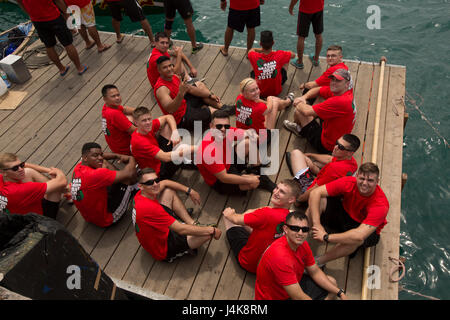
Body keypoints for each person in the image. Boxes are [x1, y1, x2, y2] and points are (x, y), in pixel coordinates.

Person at [308, 162, 389, 266]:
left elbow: (359, 235)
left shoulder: (380, 205)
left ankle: (319, 261)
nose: (364, 183)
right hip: (345, 213)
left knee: (356, 240)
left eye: (370, 180)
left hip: (362, 227)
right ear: (356, 176)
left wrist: (325, 237)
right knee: (320, 200)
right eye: (362, 178)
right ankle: (303, 232)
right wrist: (317, 224)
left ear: (377, 182)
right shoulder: (348, 182)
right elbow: (315, 193)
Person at [133, 168, 222, 262]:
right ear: (140, 186)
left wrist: (190, 191)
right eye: (149, 182)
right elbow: (181, 229)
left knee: (168, 191)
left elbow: (166, 182)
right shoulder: (150, 208)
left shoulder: (141, 194)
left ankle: (192, 223)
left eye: (157, 180)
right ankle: (184, 250)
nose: (155, 184)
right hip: (162, 248)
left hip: (156, 233)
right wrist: (212, 230)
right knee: (207, 234)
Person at [255, 211, 347, 300]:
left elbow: (314, 272)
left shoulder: (303, 245)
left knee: (332, 282)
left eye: (304, 230)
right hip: (276, 297)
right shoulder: (280, 256)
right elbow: (298, 297)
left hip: (293, 285)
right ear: (286, 229)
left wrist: (340, 293)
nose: (300, 233)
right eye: (295, 228)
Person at [223, 179, 300, 273]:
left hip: (250, 263)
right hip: (268, 266)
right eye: (276, 188)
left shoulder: (266, 213)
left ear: (291, 199)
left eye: (282, 192)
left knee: (227, 219)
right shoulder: (293, 217)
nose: (275, 192)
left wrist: (229, 213)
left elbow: (236, 219)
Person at [195, 109, 276, 195]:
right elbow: (224, 177)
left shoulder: (227, 131)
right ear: (211, 126)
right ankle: (253, 178)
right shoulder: (208, 151)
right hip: (219, 179)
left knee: (249, 142)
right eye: (219, 126)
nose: (223, 129)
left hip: (228, 161)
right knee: (252, 184)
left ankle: (257, 172)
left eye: (226, 126)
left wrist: (252, 135)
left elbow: (245, 133)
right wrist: (248, 179)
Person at [283, 69, 356, 154]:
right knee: (319, 96)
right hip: (337, 134)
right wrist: (304, 98)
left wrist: (297, 101)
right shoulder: (345, 92)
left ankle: (300, 130)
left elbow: (306, 111)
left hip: (328, 145)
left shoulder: (340, 101)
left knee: (300, 112)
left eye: (338, 81)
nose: (333, 82)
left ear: (347, 84)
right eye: (333, 79)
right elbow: (319, 89)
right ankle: (306, 122)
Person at [154, 56, 234, 132]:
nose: (169, 69)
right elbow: (171, 109)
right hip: (182, 119)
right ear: (158, 70)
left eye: (170, 65)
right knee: (213, 112)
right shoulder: (161, 89)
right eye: (165, 67)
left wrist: (209, 95)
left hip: (184, 104)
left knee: (200, 86)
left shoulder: (174, 76)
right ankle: (213, 116)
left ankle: (224, 107)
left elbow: (190, 89)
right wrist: (180, 93)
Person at [71, 142, 138, 227]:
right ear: (85, 158)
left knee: (102, 162)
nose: (99, 157)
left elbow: (101, 156)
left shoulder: (78, 168)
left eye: (100, 154)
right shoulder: (96, 175)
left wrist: (117, 156)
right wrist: (131, 158)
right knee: (128, 180)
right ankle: (134, 188)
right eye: (95, 155)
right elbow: (130, 173)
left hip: (89, 215)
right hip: (107, 218)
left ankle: (115, 177)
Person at [17, 0, 88, 76]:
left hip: (37, 21)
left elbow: (20, 3)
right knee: (68, 43)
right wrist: (67, 14)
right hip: (54, 17)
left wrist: (30, 15)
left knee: (49, 46)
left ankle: (61, 69)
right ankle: (79, 68)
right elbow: (58, 1)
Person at [285, 134, 360, 203]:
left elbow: (315, 189)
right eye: (337, 143)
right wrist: (311, 155)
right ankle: (308, 167)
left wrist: (299, 200)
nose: (335, 147)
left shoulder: (333, 169)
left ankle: (297, 173)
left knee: (296, 153)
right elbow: (330, 159)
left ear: (350, 153)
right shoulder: (353, 163)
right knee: (310, 161)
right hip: (331, 187)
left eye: (341, 147)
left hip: (314, 193)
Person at [130, 106, 194, 180]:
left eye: (149, 119)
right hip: (159, 171)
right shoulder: (139, 142)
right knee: (187, 149)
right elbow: (166, 158)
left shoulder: (145, 128)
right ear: (136, 123)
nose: (148, 122)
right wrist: (193, 148)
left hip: (158, 156)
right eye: (144, 120)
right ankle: (185, 160)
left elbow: (168, 117)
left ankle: (182, 159)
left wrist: (175, 132)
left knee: (167, 126)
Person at [0, 153, 67, 219]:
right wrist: (57, 171)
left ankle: (67, 190)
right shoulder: (19, 190)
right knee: (56, 187)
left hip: (13, 214)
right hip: (36, 221)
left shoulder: (3, 177)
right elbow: (62, 181)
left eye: (21, 165)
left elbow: (26, 165)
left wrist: (49, 171)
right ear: (3, 172)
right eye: (15, 168)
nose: (20, 169)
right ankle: (67, 191)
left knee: (27, 172)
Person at [248, 30, 296, 98]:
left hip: (259, 91)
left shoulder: (253, 55)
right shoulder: (280, 54)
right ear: (273, 43)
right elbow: (293, 55)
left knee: (253, 61)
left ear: (260, 44)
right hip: (275, 92)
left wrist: (261, 50)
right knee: (286, 59)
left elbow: (251, 50)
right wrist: (280, 52)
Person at [101, 84, 137, 155]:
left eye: (118, 95)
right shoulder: (114, 114)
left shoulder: (106, 106)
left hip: (115, 145)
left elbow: (125, 109)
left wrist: (141, 112)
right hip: (125, 150)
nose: (117, 98)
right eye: (113, 96)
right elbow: (134, 131)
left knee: (133, 116)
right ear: (105, 99)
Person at [288, 0, 324, 69]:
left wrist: (291, 7)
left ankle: (299, 62)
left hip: (305, 10)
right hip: (319, 8)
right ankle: (316, 59)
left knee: (301, 37)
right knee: (318, 35)